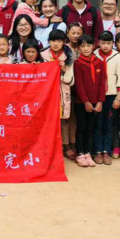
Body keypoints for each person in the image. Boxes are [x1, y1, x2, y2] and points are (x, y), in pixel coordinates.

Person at [41, 30, 75, 159]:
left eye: (59, 41)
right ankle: (48, 146)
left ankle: (65, 146)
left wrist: (63, 70)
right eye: (53, 41)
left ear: (64, 42)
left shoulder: (69, 56)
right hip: (47, 93)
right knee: (47, 121)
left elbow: (71, 81)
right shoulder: (42, 55)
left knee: (64, 120)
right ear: (49, 42)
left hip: (62, 91)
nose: (56, 44)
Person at [73, 35, 106, 168]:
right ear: (79, 48)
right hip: (81, 103)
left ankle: (88, 153)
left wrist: (100, 101)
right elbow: (79, 85)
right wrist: (86, 101)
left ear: (94, 46)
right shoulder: (78, 63)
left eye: (88, 45)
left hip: (95, 102)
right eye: (82, 46)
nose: (86, 48)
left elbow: (102, 83)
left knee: (90, 128)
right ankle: (80, 153)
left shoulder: (99, 62)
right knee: (81, 127)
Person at [93, 31, 120, 165]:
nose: (106, 46)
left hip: (111, 95)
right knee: (97, 124)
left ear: (112, 43)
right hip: (96, 97)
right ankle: (97, 150)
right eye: (103, 43)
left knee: (108, 124)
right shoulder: (94, 55)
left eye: (108, 43)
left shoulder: (117, 57)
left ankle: (106, 150)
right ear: (98, 43)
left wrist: (119, 97)